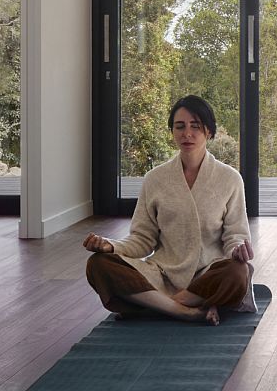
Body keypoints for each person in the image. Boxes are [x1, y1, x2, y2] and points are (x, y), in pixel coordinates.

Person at [83, 95, 255, 325]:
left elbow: (236, 235)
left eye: (196, 126)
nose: (187, 133)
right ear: (172, 131)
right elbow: (143, 239)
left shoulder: (230, 179)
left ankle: (160, 305)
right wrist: (111, 246)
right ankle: (184, 310)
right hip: (162, 274)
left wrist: (237, 251)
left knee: (238, 272)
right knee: (99, 263)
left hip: (208, 273)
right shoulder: (155, 179)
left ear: (209, 132)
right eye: (180, 126)